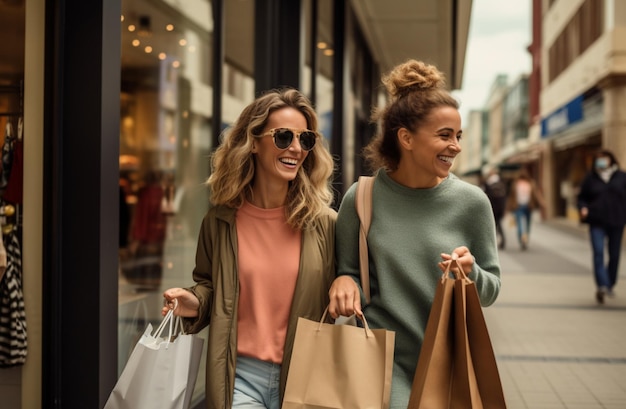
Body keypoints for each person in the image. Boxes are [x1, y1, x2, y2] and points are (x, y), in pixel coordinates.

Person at [326, 59, 502, 408]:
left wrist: (471, 273)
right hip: (378, 358)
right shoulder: (361, 198)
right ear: (405, 138)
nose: (455, 146)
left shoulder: (472, 203)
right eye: (444, 135)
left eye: (458, 135)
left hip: (447, 363)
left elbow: (491, 290)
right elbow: (349, 272)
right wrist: (344, 283)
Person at [161, 88, 337, 408]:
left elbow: (356, 282)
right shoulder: (220, 221)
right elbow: (211, 287)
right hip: (239, 376)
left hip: (308, 377)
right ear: (253, 142)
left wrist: (346, 280)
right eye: (284, 137)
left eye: (306, 139)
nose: (296, 148)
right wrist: (193, 302)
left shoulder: (326, 224)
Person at [577, 149, 626, 304]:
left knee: (615, 254)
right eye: (598, 159)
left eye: (604, 158)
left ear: (611, 160)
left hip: (617, 221)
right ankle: (602, 285)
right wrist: (583, 207)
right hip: (596, 221)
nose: (601, 162)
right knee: (598, 252)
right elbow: (582, 197)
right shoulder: (590, 178)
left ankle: (610, 282)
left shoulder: (621, 177)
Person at [506, 167, 545, 250]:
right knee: (527, 224)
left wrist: (508, 207)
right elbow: (536, 195)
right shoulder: (531, 183)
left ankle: (521, 239)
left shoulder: (515, 184)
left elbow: (511, 196)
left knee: (520, 223)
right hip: (528, 205)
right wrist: (542, 203)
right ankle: (525, 238)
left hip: (518, 206)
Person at [483, 167, 508, 249]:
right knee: (497, 225)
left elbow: (486, 196)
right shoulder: (501, 182)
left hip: (493, 208)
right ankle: (502, 241)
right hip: (500, 208)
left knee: (494, 226)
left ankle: (493, 243)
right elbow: (504, 197)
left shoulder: (488, 184)